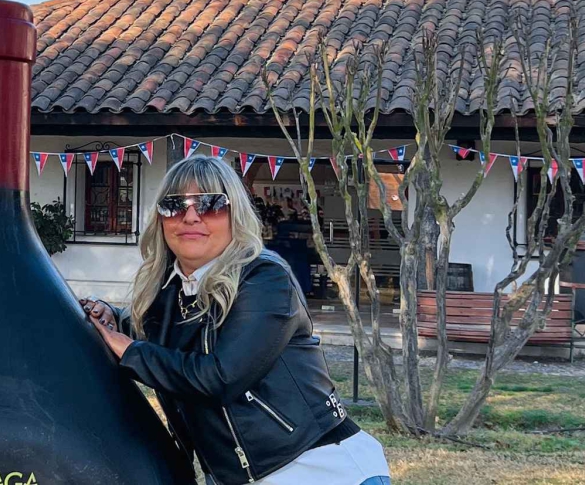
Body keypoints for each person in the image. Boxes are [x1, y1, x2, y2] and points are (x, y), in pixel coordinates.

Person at [81, 156, 391, 485]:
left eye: (210, 204)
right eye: (174, 205)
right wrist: (111, 317)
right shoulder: (168, 292)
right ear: (160, 218)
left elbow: (221, 378)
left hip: (318, 468)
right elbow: (147, 329)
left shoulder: (264, 277)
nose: (190, 217)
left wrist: (132, 352)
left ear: (235, 214)